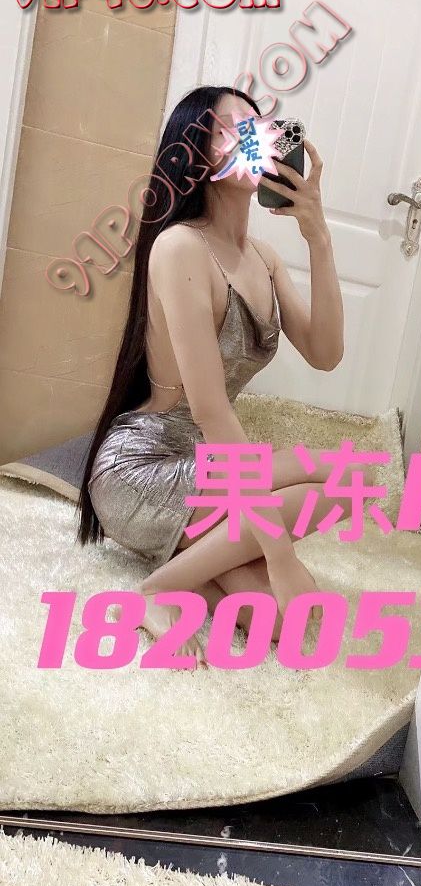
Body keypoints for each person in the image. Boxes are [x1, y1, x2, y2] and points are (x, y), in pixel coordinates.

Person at [78, 85, 372, 667]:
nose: (252, 137)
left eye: (257, 126)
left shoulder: (263, 258)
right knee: (337, 481)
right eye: (230, 129)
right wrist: (279, 554)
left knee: (293, 619)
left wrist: (317, 235)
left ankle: (184, 567)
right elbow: (211, 410)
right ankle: (156, 589)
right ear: (197, 154)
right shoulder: (179, 247)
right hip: (145, 469)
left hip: (211, 473)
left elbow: (326, 352)